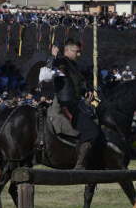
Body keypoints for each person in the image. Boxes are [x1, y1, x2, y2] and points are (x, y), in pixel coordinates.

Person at [39, 38, 99, 170]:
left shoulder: (74, 66)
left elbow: (73, 85)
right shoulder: (59, 63)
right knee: (92, 132)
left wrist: (84, 91)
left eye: (79, 52)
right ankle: (80, 166)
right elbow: (44, 76)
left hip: (78, 104)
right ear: (67, 50)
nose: (79, 55)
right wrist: (53, 56)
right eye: (77, 52)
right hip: (66, 106)